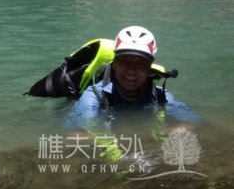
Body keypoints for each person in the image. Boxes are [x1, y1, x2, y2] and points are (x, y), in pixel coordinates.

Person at [69, 26, 199, 126]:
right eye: (124, 61)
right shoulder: (95, 97)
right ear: (114, 64)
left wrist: (182, 127)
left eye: (141, 63)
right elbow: (77, 130)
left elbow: (195, 121)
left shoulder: (161, 97)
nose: (131, 70)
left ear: (149, 69)